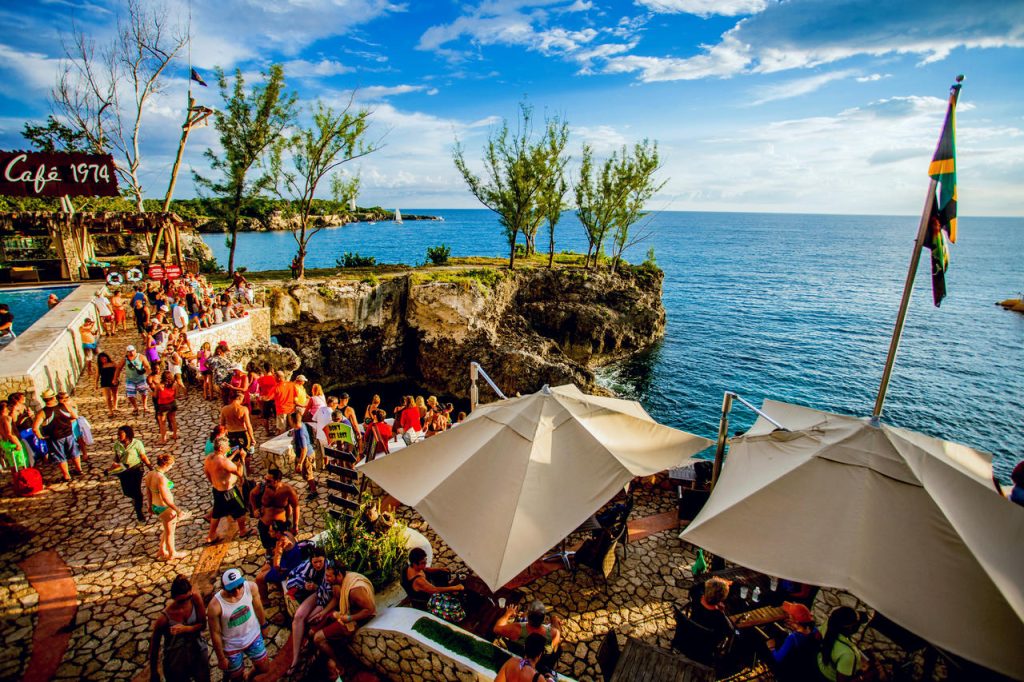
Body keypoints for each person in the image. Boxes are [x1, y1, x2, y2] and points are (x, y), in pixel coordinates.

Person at [310, 563, 377, 679]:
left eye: (329, 576)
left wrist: (349, 618)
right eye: (326, 576)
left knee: (317, 638)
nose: (326, 579)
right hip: (346, 614)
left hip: (357, 619)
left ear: (339, 575)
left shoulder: (354, 590)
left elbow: (370, 610)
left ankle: (340, 668)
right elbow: (337, 598)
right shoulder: (338, 584)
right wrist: (323, 613)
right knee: (313, 630)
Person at [207, 568, 270, 680]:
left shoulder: (251, 588)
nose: (237, 591)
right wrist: (221, 658)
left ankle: (249, 676)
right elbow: (215, 633)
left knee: (264, 667)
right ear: (224, 588)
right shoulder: (215, 606)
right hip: (231, 645)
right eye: (232, 589)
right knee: (236, 677)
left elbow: (258, 607)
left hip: (253, 636)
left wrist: (264, 625)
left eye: (239, 586)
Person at [149, 575, 210, 682]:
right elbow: (154, 647)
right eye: (180, 601)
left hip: (197, 650)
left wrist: (186, 629)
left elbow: (203, 625)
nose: (185, 602)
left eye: (187, 598)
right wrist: (154, 672)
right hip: (176, 658)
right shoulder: (164, 619)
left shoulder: (195, 599)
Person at [285, 548, 332, 676]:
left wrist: (317, 587)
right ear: (311, 560)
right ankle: (295, 659)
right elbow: (290, 580)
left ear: (325, 559)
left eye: (320, 561)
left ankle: (311, 650)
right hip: (314, 594)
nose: (317, 565)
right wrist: (303, 584)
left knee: (309, 619)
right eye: (315, 562)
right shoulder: (306, 565)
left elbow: (328, 593)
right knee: (298, 617)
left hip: (326, 599)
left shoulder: (329, 568)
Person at [203, 436, 251, 543]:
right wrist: (242, 458)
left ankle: (211, 535)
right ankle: (243, 530)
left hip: (217, 490)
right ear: (221, 448)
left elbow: (207, 472)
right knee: (240, 510)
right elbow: (239, 473)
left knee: (217, 513)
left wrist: (233, 455)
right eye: (227, 446)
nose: (229, 447)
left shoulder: (209, 458)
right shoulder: (224, 462)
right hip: (229, 491)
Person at [818, 606, 883, 682]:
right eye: (858, 623)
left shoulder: (829, 624)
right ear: (850, 628)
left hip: (821, 667)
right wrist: (865, 677)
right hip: (829, 677)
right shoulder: (848, 654)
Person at [254, 520, 309, 607]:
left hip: (288, 568)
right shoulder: (288, 533)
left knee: (259, 578)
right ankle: (278, 586)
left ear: (278, 532)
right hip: (294, 560)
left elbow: (276, 565)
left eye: (271, 531)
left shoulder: (280, 543)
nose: (269, 532)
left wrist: (276, 568)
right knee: (265, 568)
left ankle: (265, 601)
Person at [401, 547, 465, 620]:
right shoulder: (418, 580)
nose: (425, 564)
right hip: (426, 601)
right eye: (423, 563)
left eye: (425, 561)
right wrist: (456, 587)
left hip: (428, 588)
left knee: (442, 574)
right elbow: (434, 590)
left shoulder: (411, 567)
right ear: (414, 563)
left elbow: (425, 569)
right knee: (455, 608)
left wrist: (440, 569)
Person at [249, 467, 300, 559]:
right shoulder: (262, 487)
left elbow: (296, 506)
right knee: (267, 544)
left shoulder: (288, 490)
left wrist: (295, 524)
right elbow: (252, 494)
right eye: (265, 479)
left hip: (281, 525)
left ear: (277, 480)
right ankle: (269, 552)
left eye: (269, 480)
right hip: (265, 523)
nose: (266, 482)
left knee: (283, 546)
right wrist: (255, 509)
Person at [33, 389, 83, 482]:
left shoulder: (42, 413)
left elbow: (35, 428)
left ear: (44, 399)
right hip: (68, 433)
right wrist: (68, 423)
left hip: (54, 437)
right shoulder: (64, 406)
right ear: (53, 397)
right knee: (74, 451)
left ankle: (66, 475)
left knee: (60, 456)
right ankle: (79, 469)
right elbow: (75, 416)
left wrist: (41, 437)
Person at [145, 454, 186, 561]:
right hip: (164, 508)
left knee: (167, 529)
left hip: (155, 505)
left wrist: (149, 505)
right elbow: (166, 498)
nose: (171, 467)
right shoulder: (161, 478)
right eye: (171, 465)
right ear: (165, 465)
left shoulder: (150, 474)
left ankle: (162, 549)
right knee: (170, 533)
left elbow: (148, 492)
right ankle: (172, 553)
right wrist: (178, 510)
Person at [767, 601, 822, 681]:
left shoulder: (792, 638)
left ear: (795, 621)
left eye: (789, 615)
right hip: (806, 664)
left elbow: (778, 658)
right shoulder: (815, 630)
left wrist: (772, 648)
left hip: (791, 669)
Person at [494, 600, 562, 659]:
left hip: (518, 655)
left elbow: (497, 628)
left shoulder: (517, 628)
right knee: (555, 620)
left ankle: (525, 614)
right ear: (544, 619)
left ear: (528, 618)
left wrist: (507, 614)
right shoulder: (554, 633)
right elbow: (557, 632)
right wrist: (555, 620)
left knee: (522, 618)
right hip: (538, 662)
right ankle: (554, 618)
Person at [110, 425, 151, 522]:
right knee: (127, 491)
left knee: (137, 491)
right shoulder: (117, 445)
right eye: (118, 434)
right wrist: (113, 466)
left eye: (121, 434)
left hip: (136, 469)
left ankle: (139, 512)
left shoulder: (137, 443)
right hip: (123, 470)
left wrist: (150, 467)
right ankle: (137, 499)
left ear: (127, 434)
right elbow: (116, 458)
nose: (118, 436)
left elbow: (143, 457)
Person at [689, 578, 735, 661]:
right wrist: (721, 611)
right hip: (704, 648)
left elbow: (695, 587)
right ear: (721, 599)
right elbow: (731, 630)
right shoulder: (719, 616)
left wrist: (714, 581)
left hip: (688, 637)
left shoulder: (696, 597)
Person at [288, 411, 318, 499]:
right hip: (308, 453)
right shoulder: (301, 425)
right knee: (307, 473)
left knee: (308, 475)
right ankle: (313, 483)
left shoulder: (301, 433)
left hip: (306, 456)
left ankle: (314, 491)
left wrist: (300, 463)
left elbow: (304, 449)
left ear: (293, 420)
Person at [116, 345, 152, 415]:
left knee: (144, 393)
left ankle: (145, 406)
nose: (131, 353)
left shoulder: (141, 357)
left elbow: (147, 366)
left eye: (132, 351)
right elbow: (119, 368)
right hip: (130, 380)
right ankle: (135, 407)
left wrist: (150, 376)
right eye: (129, 352)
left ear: (135, 350)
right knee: (130, 395)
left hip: (141, 378)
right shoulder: (125, 359)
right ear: (127, 352)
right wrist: (115, 378)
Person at [154, 371, 179, 444]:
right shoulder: (175, 385)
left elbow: (155, 396)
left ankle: (163, 439)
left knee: (162, 423)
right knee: (173, 420)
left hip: (163, 405)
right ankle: (175, 434)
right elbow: (176, 395)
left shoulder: (159, 386)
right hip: (172, 403)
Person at [256, 363, 279, 435]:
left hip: (265, 398)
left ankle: (267, 431)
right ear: (271, 369)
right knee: (276, 415)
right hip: (274, 398)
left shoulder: (260, 379)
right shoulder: (274, 378)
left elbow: (260, 388)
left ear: (264, 369)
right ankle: (277, 430)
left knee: (265, 416)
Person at [95, 352, 119, 416]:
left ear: (107, 357)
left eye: (104, 358)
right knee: (108, 397)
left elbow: (118, 370)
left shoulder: (113, 363)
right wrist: (96, 383)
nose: (103, 360)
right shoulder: (99, 366)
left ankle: (115, 406)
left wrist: (116, 378)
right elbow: (97, 375)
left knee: (115, 394)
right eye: (101, 359)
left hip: (113, 380)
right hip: (104, 382)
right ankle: (110, 411)